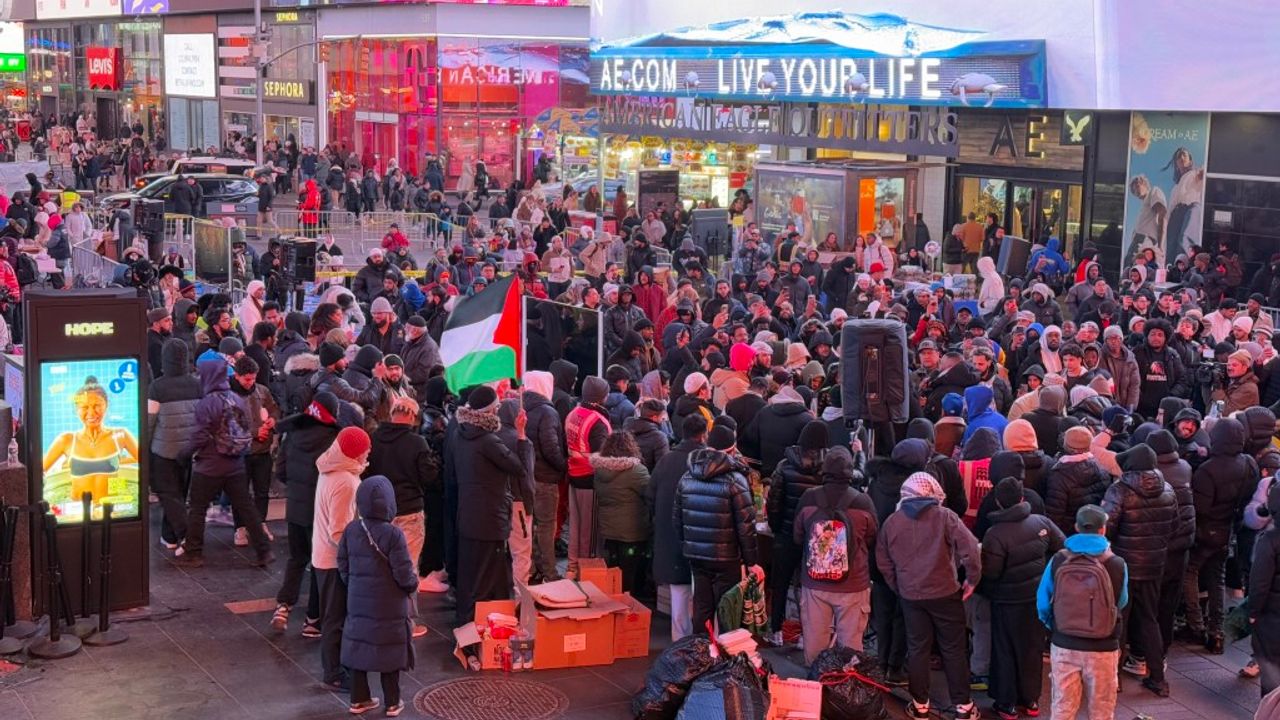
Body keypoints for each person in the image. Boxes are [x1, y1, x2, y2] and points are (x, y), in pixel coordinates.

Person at [876, 472, 980, 720]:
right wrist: (972, 579)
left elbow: (883, 560)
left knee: (917, 649)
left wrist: (898, 586)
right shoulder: (946, 516)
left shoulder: (892, 522)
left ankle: (920, 705)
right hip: (946, 592)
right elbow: (971, 550)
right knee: (953, 649)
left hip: (910, 595)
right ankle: (963, 707)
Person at [173, 358, 272, 568]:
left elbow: (200, 436)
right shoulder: (236, 398)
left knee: (198, 508)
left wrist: (184, 454)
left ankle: (194, 552)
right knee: (246, 507)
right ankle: (263, 550)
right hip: (236, 464)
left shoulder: (207, 403)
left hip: (210, 466)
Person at [1036, 505, 1129, 720]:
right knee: (1101, 710)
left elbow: (1042, 602)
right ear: (1103, 529)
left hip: (1064, 644)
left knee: (1063, 708)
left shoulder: (1059, 559)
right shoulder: (1117, 563)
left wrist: (1055, 625)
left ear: (1076, 527)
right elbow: (1121, 601)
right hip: (1103, 647)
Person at [1102, 444, 1179, 697]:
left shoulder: (1119, 490)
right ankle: (1158, 678)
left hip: (1123, 566)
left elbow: (1107, 528)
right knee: (1149, 618)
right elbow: (1174, 527)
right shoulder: (1168, 490)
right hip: (1154, 565)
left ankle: (1114, 678)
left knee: (1119, 620)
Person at [451, 385, 532, 626]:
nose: (498, 411)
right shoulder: (488, 441)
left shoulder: (460, 434)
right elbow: (520, 468)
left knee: (471, 576)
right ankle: (486, 626)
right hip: (490, 518)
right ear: (490, 411)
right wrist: (521, 434)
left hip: (468, 515)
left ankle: (467, 622)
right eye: (496, 407)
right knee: (490, 578)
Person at [338, 475, 416, 717]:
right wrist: (411, 586)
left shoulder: (352, 529)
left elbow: (342, 562)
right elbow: (404, 572)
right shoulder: (393, 534)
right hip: (389, 605)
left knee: (358, 647)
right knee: (389, 650)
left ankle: (358, 699)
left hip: (358, 601)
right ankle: (392, 702)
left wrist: (353, 584)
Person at [792, 447, 878, 665]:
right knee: (850, 647)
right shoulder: (863, 502)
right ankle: (846, 684)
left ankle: (816, 680)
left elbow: (798, 537)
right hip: (853, 585)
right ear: (850, 472)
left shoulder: (808, 498)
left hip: (815, 583)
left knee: (815, 644)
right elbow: (871, 538)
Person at [674, 424, 762, 632]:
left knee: (701, 608)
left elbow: (677, 520)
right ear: (732, 449)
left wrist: (688, 545)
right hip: (726, 557)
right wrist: (751, 562)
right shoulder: (736, 481)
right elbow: (746, 526)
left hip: (696, 555)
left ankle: (700, 648)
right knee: (727, 611)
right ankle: (724, 650)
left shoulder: (687, 477)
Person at [366, 395, 437, 637]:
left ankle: (381, 617)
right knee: (408, 567)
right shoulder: (417, 443)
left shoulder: (375, 438)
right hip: (409, 511)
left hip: (380, 513)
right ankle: (406, 622)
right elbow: (429, 477)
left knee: (382, 567)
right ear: (413, 417)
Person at [312, 426, 373, 692]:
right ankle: (334, 673)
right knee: (335, 619)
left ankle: (336, 667)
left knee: (333, 617)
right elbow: (338, 531)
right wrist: (356, 557)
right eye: (366, 450)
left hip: (323, 556)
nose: (369, 453)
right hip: (334, 561)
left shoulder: (331, 469)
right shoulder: (345, 482)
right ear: (355, 453)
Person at [651, 414, 705, 640]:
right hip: (699, 535)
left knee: (679, 591)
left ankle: (679, 639)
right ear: (703, 435)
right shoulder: (704, 461)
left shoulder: (667, 459)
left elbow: (650, 493)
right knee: (701, 590)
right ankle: (700, 640)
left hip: (669, 535)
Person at [147, 339, 200, 553]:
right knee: (180, 493)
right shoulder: (196, 384)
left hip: (163, 450)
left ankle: (187, 536)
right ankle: (168, 537)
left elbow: (149, 422)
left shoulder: (157, 387)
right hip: (188, 450)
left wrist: (144, 448)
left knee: (169, 495)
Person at [230, 356, 280, 549]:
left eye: (253, 378)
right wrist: (254, 432)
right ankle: (240, 527)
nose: (250, 383)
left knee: (262, 491)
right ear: (237, 376)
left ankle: (260, 523)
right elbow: (230, 426)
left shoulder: (262, 391)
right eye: (247, 379)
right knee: (240, 492)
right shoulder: (228, 395)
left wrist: (272, 420)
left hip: (262, 450)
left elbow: (273, 409)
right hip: (240, 453)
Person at [564, 376, 611, 578]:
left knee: (575, 527)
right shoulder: (597, 421)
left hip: (573, 474)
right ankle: (586, 570)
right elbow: (601, 456)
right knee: (589, 531)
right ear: (601, 397)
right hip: (590, 477)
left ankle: (572, 566)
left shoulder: (574, 413)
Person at [593, 430, 651, 594]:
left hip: (608, 529)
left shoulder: (599, 470)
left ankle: (614, 597)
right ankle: (628, 601)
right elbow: (650, 493)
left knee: (614, 569)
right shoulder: (636, 471)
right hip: (632, 530)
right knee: (630, 573)